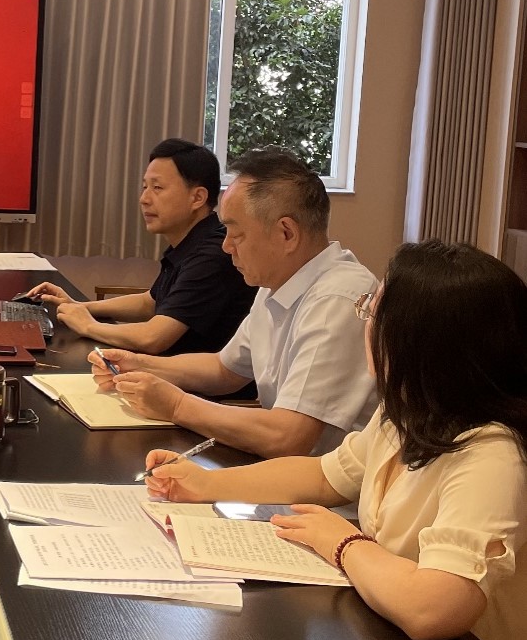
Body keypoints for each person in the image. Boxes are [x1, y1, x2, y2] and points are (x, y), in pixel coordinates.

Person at [143, 241, 527, 640]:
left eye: (372, 312)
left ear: (419, 340)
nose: (366, 324)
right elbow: (326, 476)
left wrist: (343, 542)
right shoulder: (407, 412)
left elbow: (435, 608)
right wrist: (206, 483)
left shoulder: (491, 454)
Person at [91, 146, 376, 456]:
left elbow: (289, 436)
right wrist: (139, 364)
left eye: (235, 234)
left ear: (286, 234)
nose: (226, 247)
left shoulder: (338, 299)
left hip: (330, 481)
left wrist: (177, 405)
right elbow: (224, 370)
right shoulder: (277, 281)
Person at [28, 138, 255, 353]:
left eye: (157, 188)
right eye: (144, 187)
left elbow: (153, 338)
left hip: (195, 380)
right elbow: (151, 302)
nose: (144, 199)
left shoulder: (213, 253)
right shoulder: (191, 241)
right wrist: (79, 306)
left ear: (197, 198)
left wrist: (88, 325)